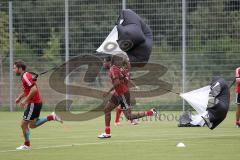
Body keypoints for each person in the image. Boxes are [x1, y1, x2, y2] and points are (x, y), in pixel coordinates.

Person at [98, 55, 157, 138]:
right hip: (118, 93)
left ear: (109, 62)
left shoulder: (113, 69)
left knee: (129, 116)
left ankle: (150, 112)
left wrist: (108, 92)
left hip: (122, 94)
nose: (103, 64)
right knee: (107, 110)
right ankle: (107, 133)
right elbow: (124, 77)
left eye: (104, 62)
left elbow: (117, 82)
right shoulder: (115, 68)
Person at [13, 60, 63, 150]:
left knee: (23, 124)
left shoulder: (25, 77)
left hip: (33, 103)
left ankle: (26, 145)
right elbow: (27, 90)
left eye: (14, 68)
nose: (13, 70)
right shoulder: (25, 76)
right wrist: (20, 98)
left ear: (20, 68)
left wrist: (25, 101)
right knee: (32, 125)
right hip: (36, 103)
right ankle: (51, 117)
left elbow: (34, 89)